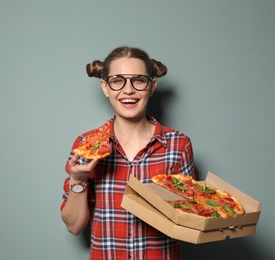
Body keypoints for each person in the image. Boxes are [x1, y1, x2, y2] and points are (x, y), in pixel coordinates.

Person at [61, 46, 195, 259]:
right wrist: (78, 179)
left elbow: (189, 221)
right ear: (105, 87)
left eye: (138, 80)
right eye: (117, 81)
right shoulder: (87, 144)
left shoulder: (179, 145)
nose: (128, 90)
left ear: (151, 87)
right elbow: (74, 226)